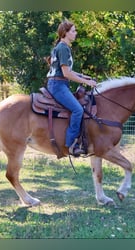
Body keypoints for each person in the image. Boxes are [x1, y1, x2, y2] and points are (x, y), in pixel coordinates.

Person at [46, 19, 97, 156]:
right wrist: (86, 83)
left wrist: (84, 77)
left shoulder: (63, 47)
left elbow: (69, 71)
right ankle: (71, 144)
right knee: (78, 110)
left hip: (58, 83)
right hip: (58, 85)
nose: (76, 33)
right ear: (65, 33)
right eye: (73, 31)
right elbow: (66, 73)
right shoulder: (63, 48)